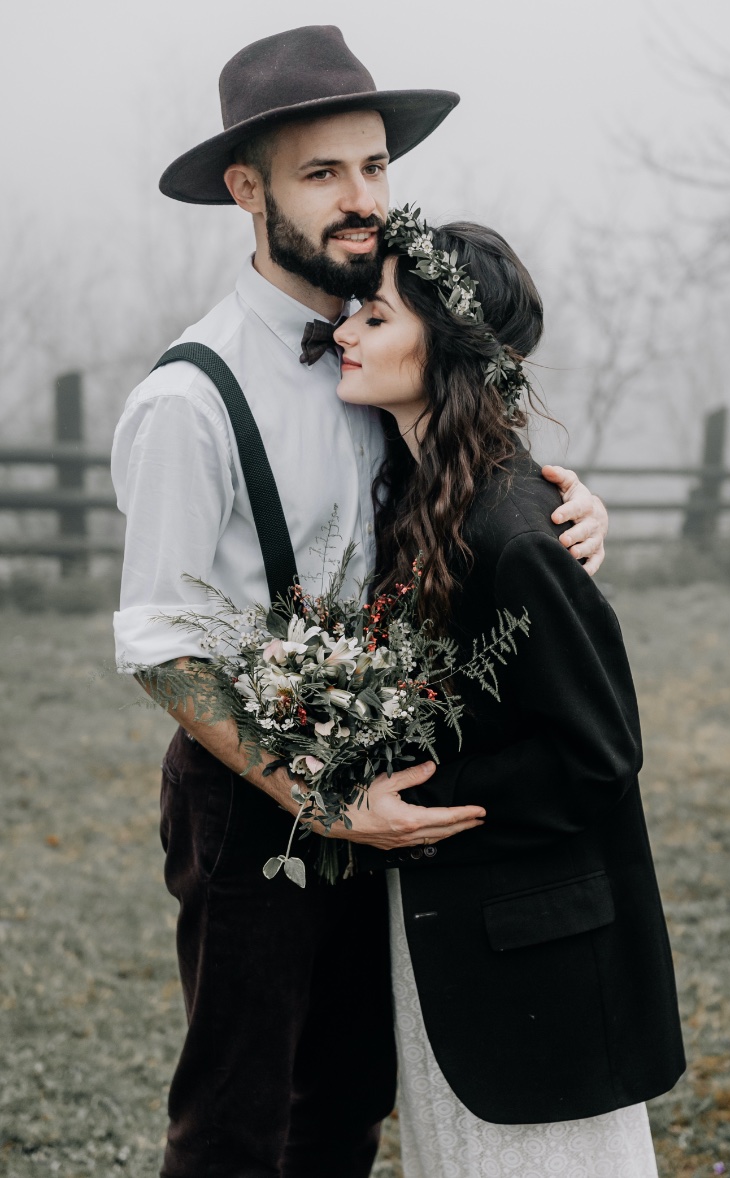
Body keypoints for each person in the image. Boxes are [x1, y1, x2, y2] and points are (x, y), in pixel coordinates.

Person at [111, 26, 610, 1178]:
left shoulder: (386, 338)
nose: (361, 198)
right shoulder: (191, 398)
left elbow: (472, 474)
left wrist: (577, 504)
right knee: (237, 1114)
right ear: (248, 190)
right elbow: (160, 644)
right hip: (252, 798)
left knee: (346, 1097)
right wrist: (319, 801)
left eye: (375, 166)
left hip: (393, 771)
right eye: (321, 172)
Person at [334, 213, 685, 1177]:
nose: (345, 331)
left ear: (443, 348)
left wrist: (422, 800)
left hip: (540, 962)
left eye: (375, 314)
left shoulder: (516, 531)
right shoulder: (415, 499)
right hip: (452, 947)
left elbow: (599, 755)